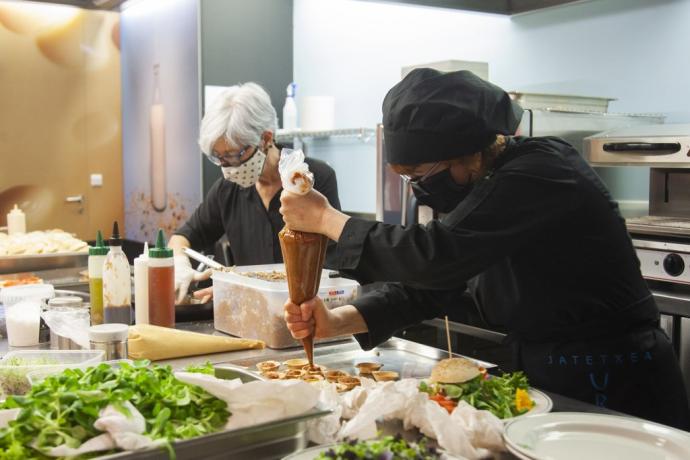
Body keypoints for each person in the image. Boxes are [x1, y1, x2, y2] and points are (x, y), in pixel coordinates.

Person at [279, 69, 690, 430]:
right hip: (545, 369)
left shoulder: (541, 171)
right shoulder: (483, 187)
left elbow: (437, 256)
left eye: (419, 175)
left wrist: (326, 219)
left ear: (470, 153)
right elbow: (436, 283)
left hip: (610, 375)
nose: (417, 188)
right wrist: (339, 320)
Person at [170, 82, 340, 303]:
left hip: (306, 309)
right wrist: (179, 262)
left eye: (234, 155)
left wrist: (242, 288)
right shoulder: (227, 190)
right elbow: (182, 237)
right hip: (252, 314)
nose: (227, 166)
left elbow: (331, 266)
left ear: (266, 139)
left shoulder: (312, 180)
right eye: (218, 157)